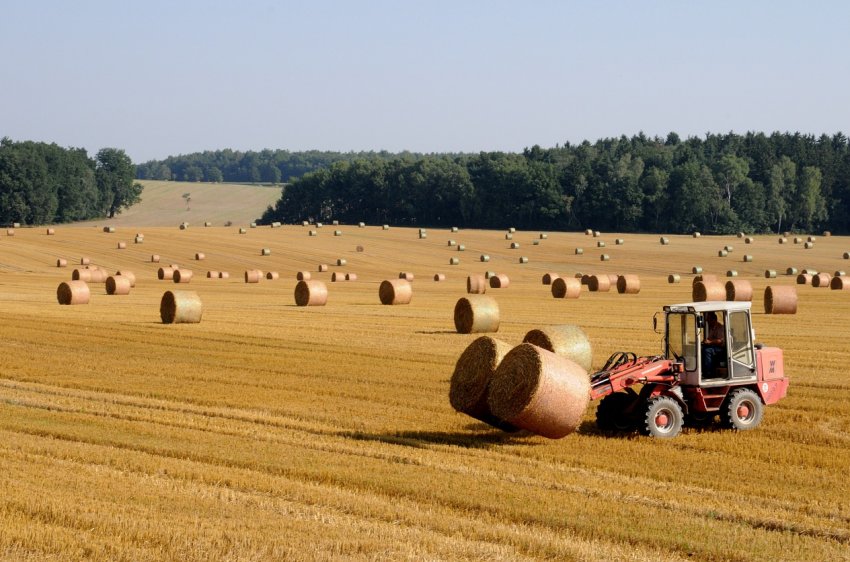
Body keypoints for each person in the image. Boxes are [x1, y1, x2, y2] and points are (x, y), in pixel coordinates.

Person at [701, 311, 725, 377]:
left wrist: (710, 342)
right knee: (700, 348)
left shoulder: (720, 328)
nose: (708, 322)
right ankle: (702, 370)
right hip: (713, 346)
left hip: (721, 348)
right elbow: (709, 338)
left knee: (707, 351)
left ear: (714, 320)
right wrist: (705, 341)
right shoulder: (711, 328)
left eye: (709, 320)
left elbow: (720, 341)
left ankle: (708, 373)